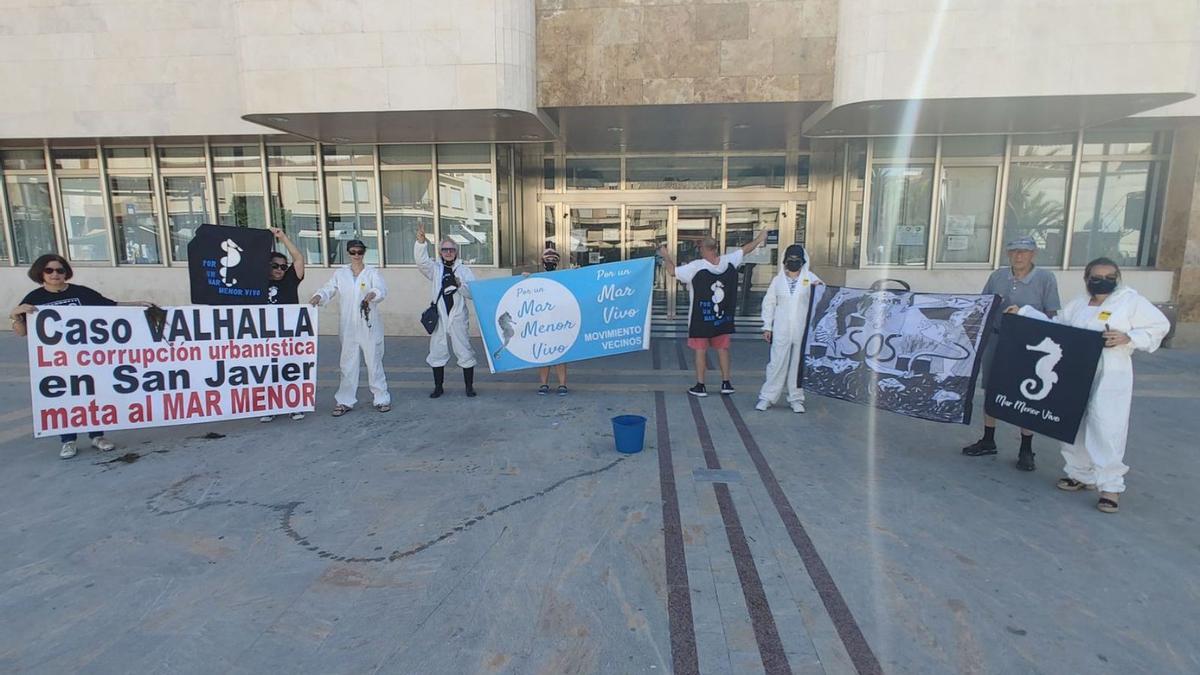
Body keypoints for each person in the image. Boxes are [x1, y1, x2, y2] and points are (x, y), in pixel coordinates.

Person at [1009, 257, 1169, 513]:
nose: (1103, 281)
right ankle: (1080, 473)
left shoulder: (1129, 301)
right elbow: (1058, 327)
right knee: (1072, 421)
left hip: (1110, 372)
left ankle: (1110, 487)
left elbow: (1160, 325)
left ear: (1117, 278)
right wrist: (1025, 313)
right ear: (1087, 279)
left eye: (1109, 277)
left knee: (1107, 426)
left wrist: (1129, 337)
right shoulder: (1080, 304)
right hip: (1075, 371)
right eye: (1097, 277)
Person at [9, 254, 152, 459]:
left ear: (66, 272)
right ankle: (68, 440)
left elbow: (110, 307)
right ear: (41, 273)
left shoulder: (81, 293)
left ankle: (97, 436)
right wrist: (15, 315)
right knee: (65, 399)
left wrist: (137, 305)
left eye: (60, 270)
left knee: (92, 395)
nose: (55, 274)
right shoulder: (34, 299)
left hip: (87, 358)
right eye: (49, 270)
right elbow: (22, 332)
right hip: (56, 361)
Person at [962, 236, 1061, 471]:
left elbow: (1052, 315)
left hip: (1029, 343)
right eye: (1014, 251)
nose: (1019, 256)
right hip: (996, 338)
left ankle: (1026, 447)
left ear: (1033, 255)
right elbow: (984, 304)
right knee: (991, 388)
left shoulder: (1045, 279)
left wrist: (1026, 316)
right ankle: (988, 438)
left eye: (1024, 252)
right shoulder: (998, 276)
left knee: (1026, 394)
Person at [658, 228, 772, 397]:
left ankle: (700, 386)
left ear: (704, 249)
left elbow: (673, 272)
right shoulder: (729, 262)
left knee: (700, 351)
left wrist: (665, 255)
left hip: (700, 319)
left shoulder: (696, 267)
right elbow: (746, 249)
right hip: (722, 319)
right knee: (723, 349)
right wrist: (760, 238)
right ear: (716, 248)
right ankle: (726, 383)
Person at [309, 239, 391, 416]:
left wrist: (372, 294)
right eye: (353, 252)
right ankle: (344, 400)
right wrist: (318, 297)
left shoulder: (371, 272)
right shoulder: (341, 273)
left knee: (374, 362)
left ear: (364, 253)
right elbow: (328, 289)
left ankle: (381, 398)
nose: (356, 255)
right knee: (347, 364)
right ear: (348, 253)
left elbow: (381, 289)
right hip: (348, 326)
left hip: (368, 325)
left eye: (359, 252)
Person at [755, 244, 822, 413]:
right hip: (781, 328)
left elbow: (822, 299)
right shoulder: (778, 281)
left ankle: (796, 398)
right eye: (790, 260)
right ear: (785, 261)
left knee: (798, 365)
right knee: (776, 363)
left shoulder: (811, 278)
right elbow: (769, 303)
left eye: (796, 260)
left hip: (802, 329)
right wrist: (767, 326)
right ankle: (767, 397)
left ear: (803, 261)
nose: (793, 263)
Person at [415, 223, 478, 398]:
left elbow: (473, 293)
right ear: (440, 252)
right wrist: (421, 243)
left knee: (464, 350)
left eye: (451, 249)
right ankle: (438, 386)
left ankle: (469, 387)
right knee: (437, 350)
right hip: (440, 317)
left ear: (456, 252)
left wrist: (460, 285)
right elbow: (421, 262)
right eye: (444, 250)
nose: (448, 252)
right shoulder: (435, 269)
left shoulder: (464, 270)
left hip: (457, 316)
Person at [262, 227, 307, 422]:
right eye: (275, 266)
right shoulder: (255, 283)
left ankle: (294, 405)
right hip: (264, 334)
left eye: (282, 266)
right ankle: (269, 406)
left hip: (289, 333)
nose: (279, 269)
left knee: (290, 369)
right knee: (267, 371)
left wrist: (282, 238)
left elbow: (298, 259)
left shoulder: (289, 281)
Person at [531, 246, 568, 395]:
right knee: (543, 354)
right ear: (542, 261)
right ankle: (544, 384)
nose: (550, 262)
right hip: (542, 322)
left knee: (560, 354)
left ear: (557, 262)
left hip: (559, 321)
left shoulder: (564, 277)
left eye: (553, 260)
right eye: (548, 260)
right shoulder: (536, 278)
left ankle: (562, 384)